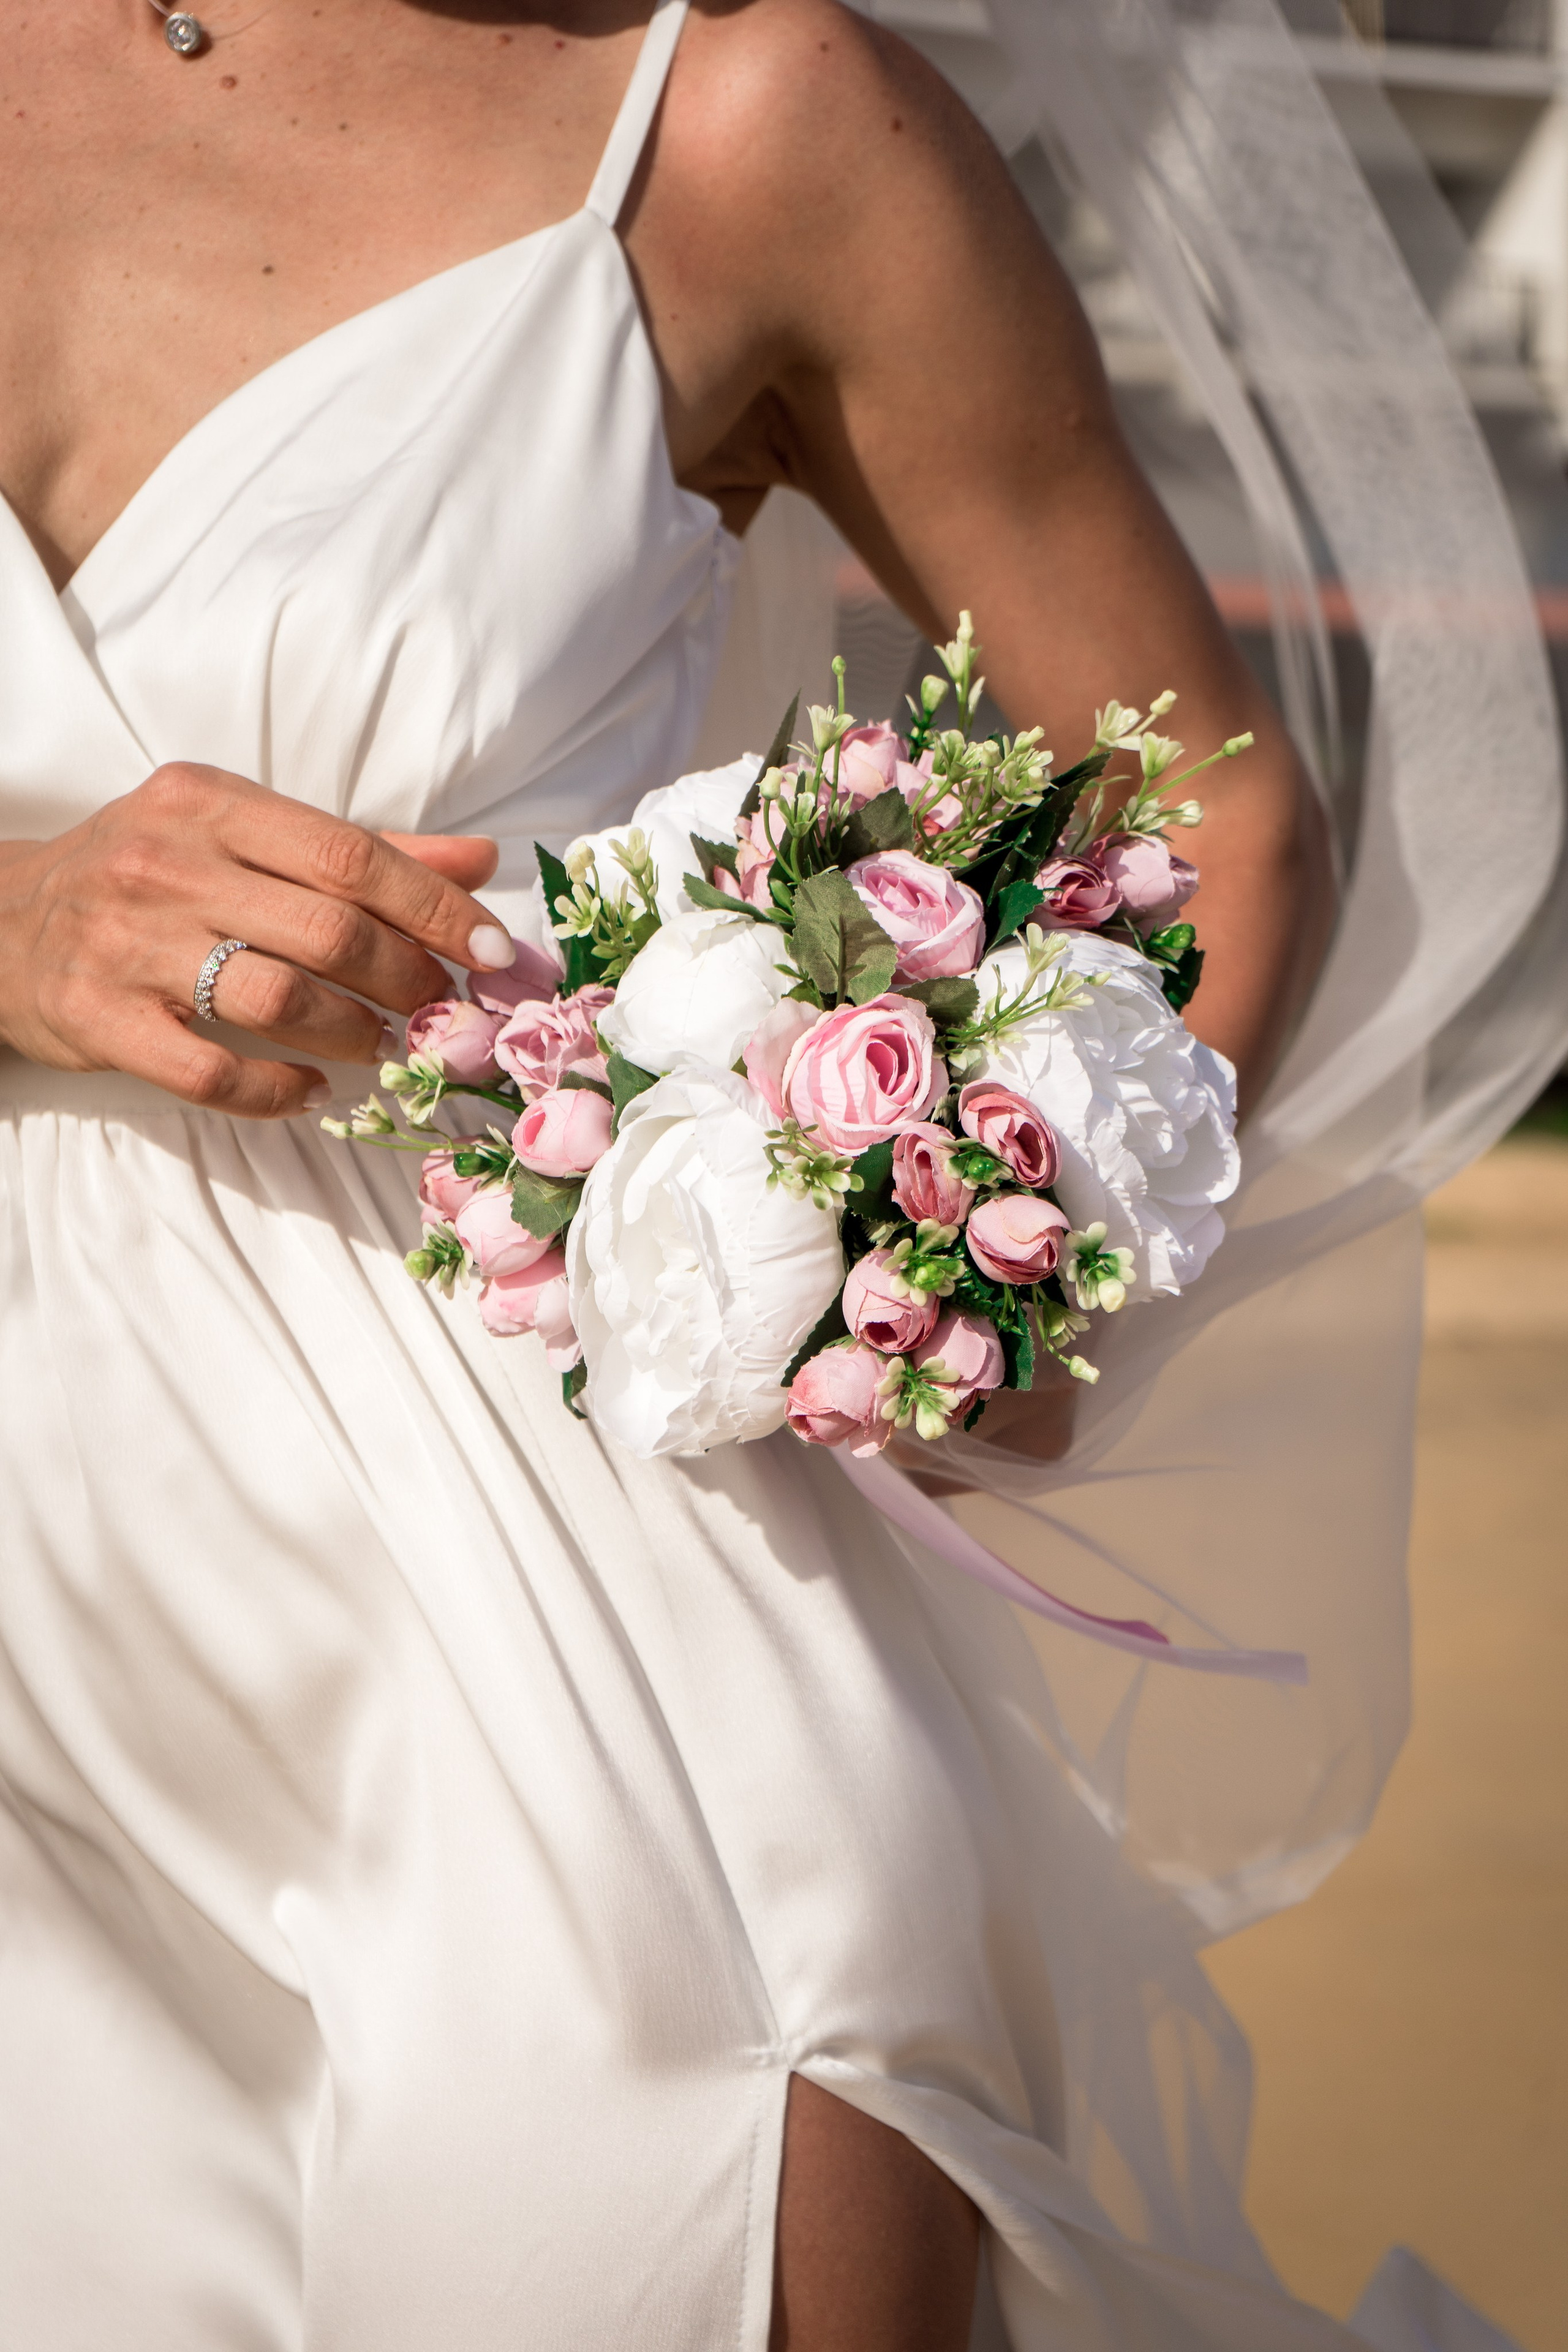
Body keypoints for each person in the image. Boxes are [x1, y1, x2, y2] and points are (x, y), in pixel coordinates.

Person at [0, 3, 1536, 2346]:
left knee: (701, 2168)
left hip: (586, 1585)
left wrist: (1015, 1260)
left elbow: (1207, 801)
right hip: (48, 1627)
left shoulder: (752, 121)